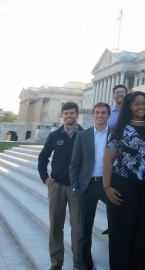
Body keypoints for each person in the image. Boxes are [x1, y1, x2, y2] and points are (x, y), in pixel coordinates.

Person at [102, 92, 145, 270]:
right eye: (137, 103)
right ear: (129, 106)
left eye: (144, 103)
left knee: (144, 232)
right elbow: (108, 159)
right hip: (123, 185)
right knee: (121, 232)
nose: (141, 107)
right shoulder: (119, 129)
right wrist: (107, 186)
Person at [38, 102, 83, 270]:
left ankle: (79, 263)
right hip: (57, 186)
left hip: (76, 187)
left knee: (78, 227)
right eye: (66, 113)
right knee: (56, 225)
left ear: (77, 114)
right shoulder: (55, 135)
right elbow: (43, 158)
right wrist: (45, 179)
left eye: (72, 113)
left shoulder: (85, 135)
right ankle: (56, 262)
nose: (69, 116)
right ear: (62, 115)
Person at [70, 102, 110, 270]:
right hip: (87, 186)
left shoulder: (116, 135)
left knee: (117, 225)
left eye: (103, 113)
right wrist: (75, 187)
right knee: (84, 229)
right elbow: (74, 164)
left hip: (109, 186)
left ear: (108, 115)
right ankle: (83, 264)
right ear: (93, 115)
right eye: (97, 112)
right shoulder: (82, 135)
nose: (100, 115)